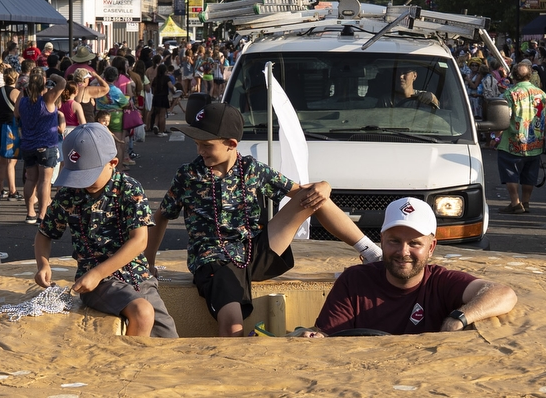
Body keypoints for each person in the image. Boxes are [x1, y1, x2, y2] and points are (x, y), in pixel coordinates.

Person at [152, 98, 378, 337]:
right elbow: (161, 216)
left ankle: (373, 253)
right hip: (214, 260)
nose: (200, 151)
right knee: (232, 324)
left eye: (206, 145)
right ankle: (232, 368)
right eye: (197, 144)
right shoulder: (188, 175)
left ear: (231, 144)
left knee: (314, 196)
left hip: (255, 252)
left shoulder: (252, 169)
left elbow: (300, 191)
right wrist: (148, 265)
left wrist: (325, 185)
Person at [35, 124, 176, 338]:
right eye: (77, 176)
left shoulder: (129, 189)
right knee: (142, 313)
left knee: (168, 337)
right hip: (98, 283)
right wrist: (43, 264)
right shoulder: (69, 195)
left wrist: (98, 272)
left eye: (89, 175)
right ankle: (127, 369)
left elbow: (139, 241)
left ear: (113, 163)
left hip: (137, 276)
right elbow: (44, 234)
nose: (83, 183)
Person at [311, 198, 517, 335]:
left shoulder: (441, 283)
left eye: (415, 243)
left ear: (431, 247)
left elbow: (503, 293)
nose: (403, 252)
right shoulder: (354, 281)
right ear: (381, 241)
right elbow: (328, 340)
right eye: (394, 241)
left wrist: (459, 318)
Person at [495, 64, 546, 215]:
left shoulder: (510, 94)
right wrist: (543, 134)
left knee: (510, 173)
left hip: (513, 141)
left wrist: (496, 135)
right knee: (529, 174)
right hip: (535, 142)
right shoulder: (541, 94)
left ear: (513, 76)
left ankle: (515, 202)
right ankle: (526, 202)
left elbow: (503, 118)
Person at [17, 70, 65, 226]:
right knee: (45, 181)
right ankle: (42, 215)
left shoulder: (24, 101)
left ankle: (29, 212)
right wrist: (52, 76)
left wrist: (24, 88)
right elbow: (62, 84)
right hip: (46, 145)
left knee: (30, 179)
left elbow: (15, 113)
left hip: (28, 145)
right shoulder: (47, 100)